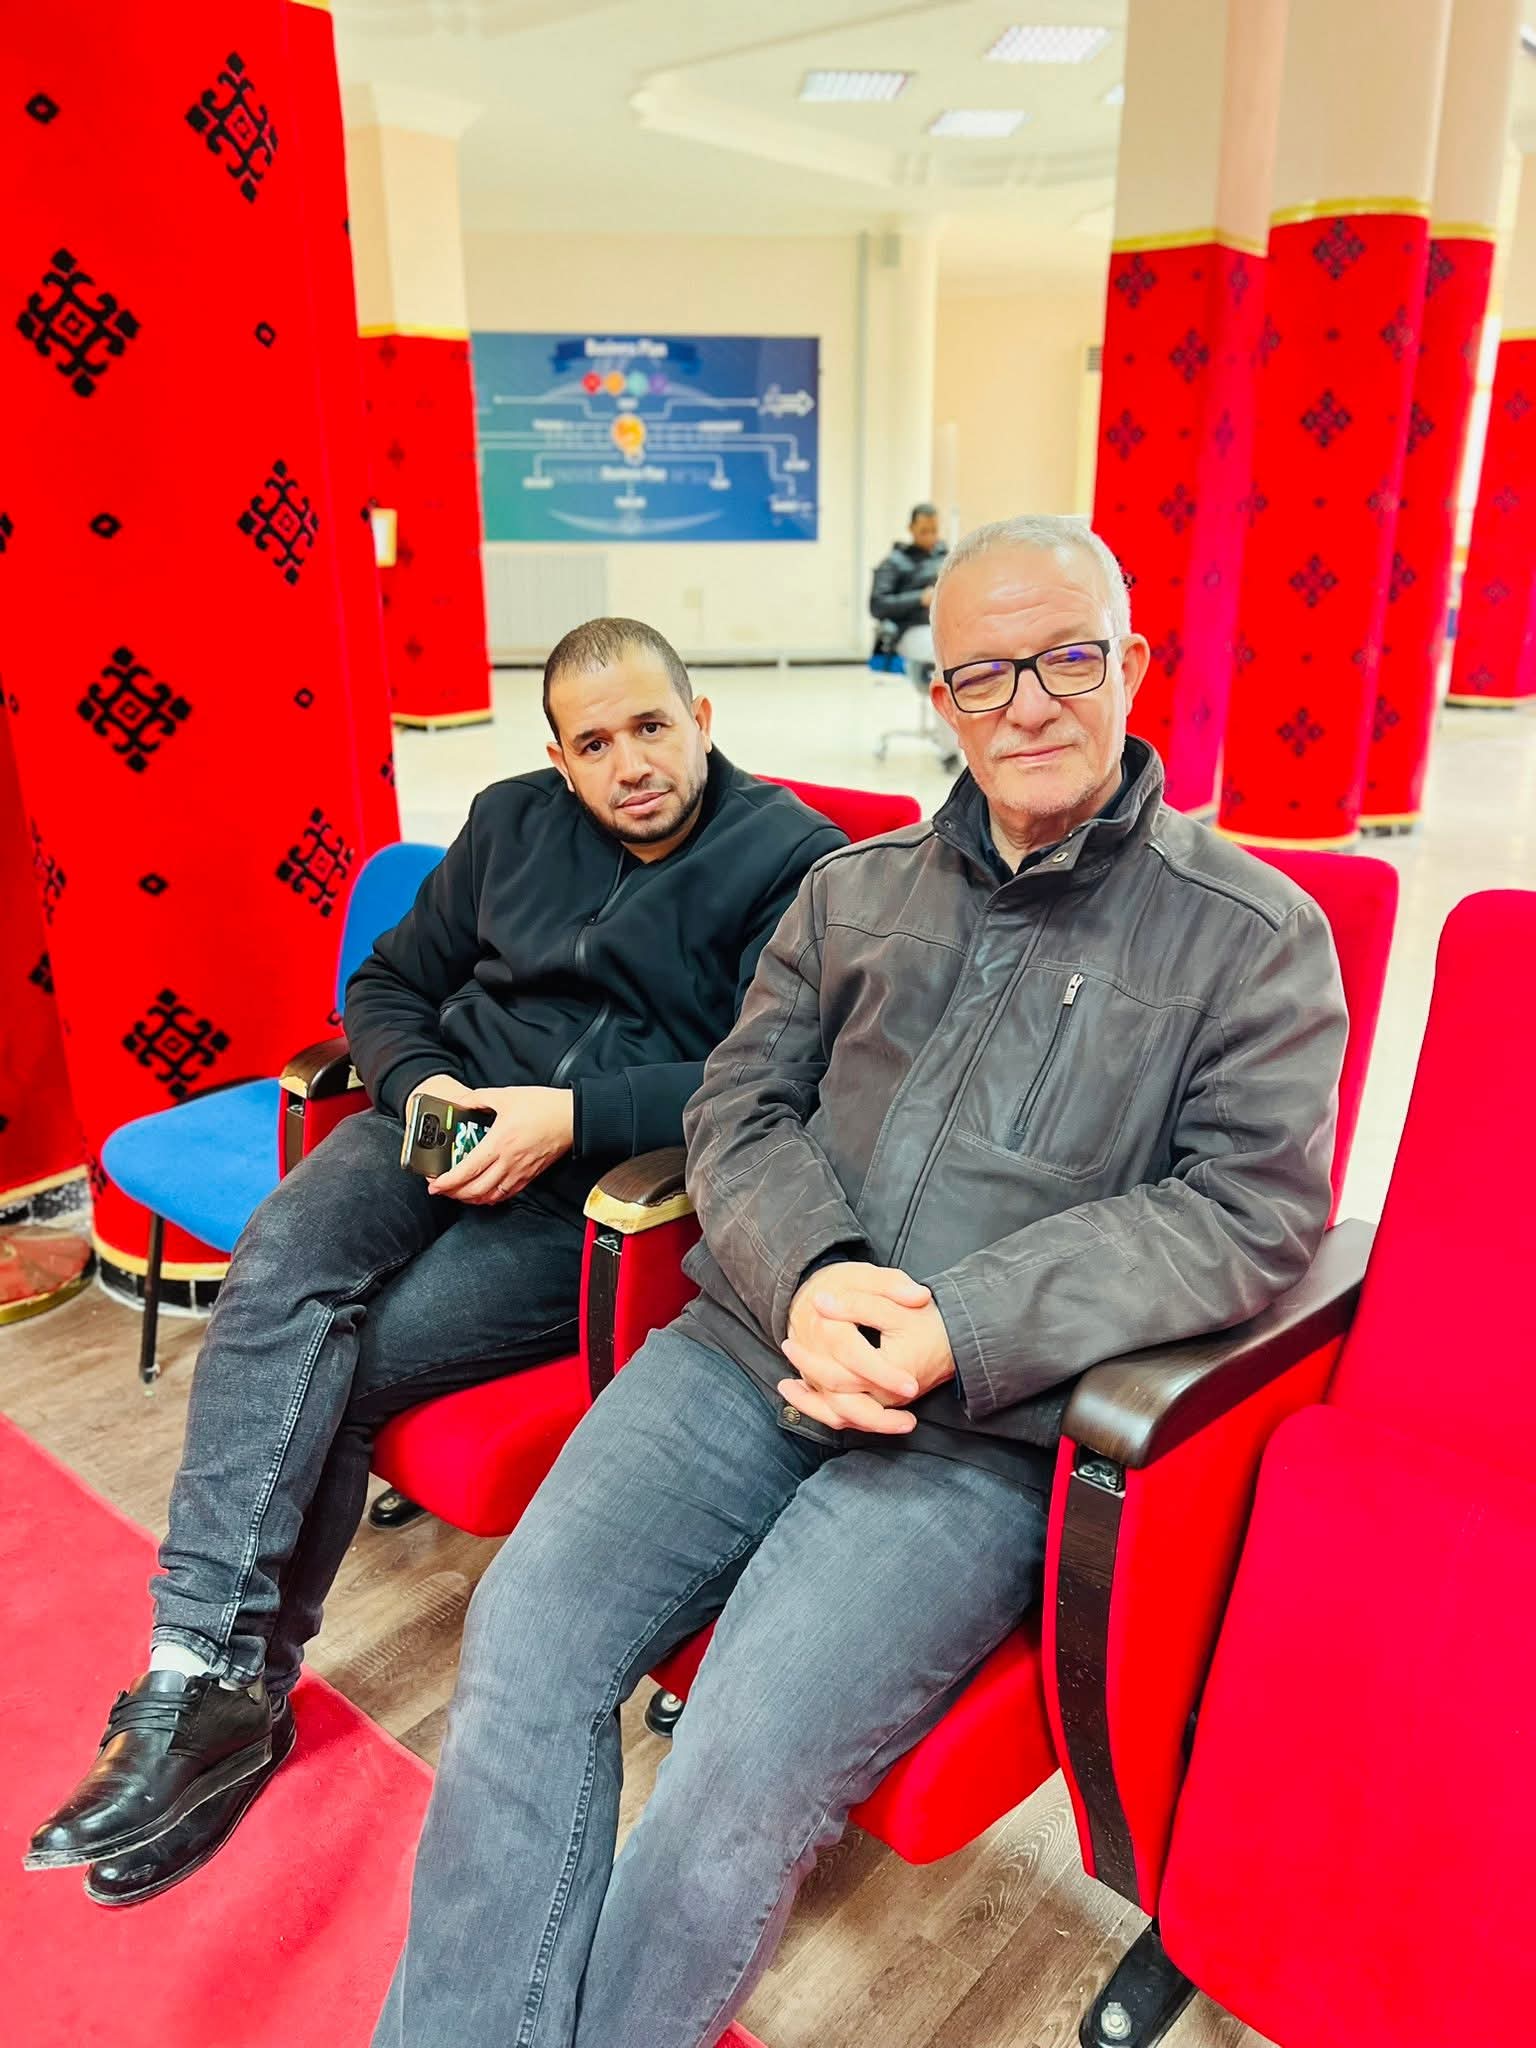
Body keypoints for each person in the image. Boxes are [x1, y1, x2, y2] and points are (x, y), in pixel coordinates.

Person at [368, 514, 1349, 2048]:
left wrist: (958, 1326)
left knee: (736, 1777)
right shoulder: (851, 888)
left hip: (975, 1434)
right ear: (941, 695)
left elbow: (1250, 1210)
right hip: (746, 1347)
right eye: (985, 673)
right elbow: (736, 1106)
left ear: (1133, 665)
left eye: (1067, 659)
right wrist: (813, 1274)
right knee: (523, 1644)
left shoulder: (1252, 938)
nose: (1029, 702)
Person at [25, 616, 845, 1907]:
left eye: (650, 726)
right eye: (594, 744)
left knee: (347, 1364)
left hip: (589, 1195)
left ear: (701, 718)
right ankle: (199, 1670)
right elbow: (388, 983)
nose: (630, 764)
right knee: (277, 1271)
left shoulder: (796, 860)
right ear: (559, 759)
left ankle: (235, 1699)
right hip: (441, 1127)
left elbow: (775, 1075)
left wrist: (567, 1118)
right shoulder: (512, 821)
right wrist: (420, 1089)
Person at [869, 499, 948, 674]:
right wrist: (919, 598)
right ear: (911, 528)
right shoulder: (894, 563)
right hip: (910, 630)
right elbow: (877, 605)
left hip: (945, 627)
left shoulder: (946, 558)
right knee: (947, 652)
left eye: (934, 531)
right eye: (924, 531)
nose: (930, 536)